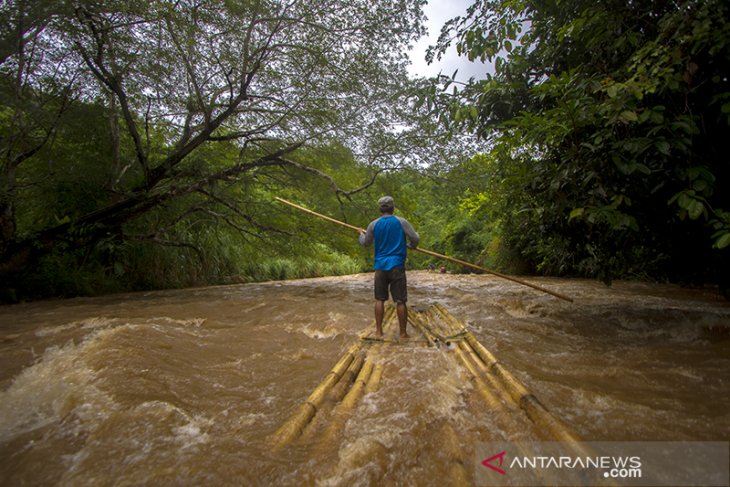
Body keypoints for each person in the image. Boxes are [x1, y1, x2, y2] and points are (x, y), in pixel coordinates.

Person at [358, 196, 419, 338]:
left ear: (380, 209)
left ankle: (378, 331)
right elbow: (415, 238)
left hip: (380, 267)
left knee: (379, 299)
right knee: (400, 301)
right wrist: (411, 246)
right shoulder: (401, 222)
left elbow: (366, 243)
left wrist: (361, 235)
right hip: (397, 265)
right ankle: (403, 333)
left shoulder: (373, 225)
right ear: (393, 208)